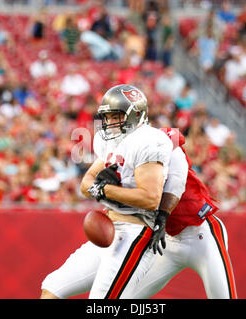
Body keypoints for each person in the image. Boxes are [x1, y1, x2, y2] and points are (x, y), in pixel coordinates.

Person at [40, 84, 173, 299]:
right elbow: (86, 184)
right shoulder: (113, 140)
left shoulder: (149, 141)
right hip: (109, 228)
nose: (110, 122)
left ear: (137, 115)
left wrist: (105, 190)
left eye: (116, 116)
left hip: (134, 233)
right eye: (108, 116)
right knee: (52, 288)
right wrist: (100, 189)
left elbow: (150, 198)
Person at [133, 127, 238, 299]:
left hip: (201, 234)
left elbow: (175, 137)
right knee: (122, 297)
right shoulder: (119, 158)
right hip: (166, 241)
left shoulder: (158, 142)